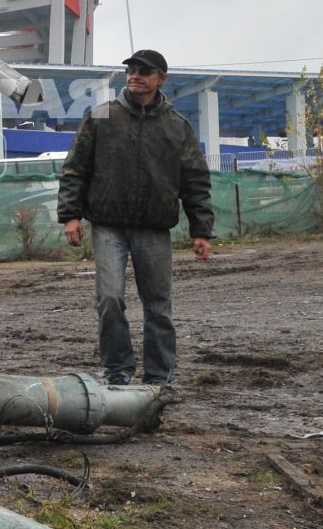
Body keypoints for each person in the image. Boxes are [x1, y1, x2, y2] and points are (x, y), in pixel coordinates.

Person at [56, 49, 214, 387]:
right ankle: (118, 371)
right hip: (108, 225)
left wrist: (202, 230)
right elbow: (75, 169)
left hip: (154, 229)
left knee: (158, 307)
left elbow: (195, 181)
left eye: (144, 71)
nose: (135, 76)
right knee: (110, 298)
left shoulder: (177, 127)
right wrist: (71, 216)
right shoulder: (101, 117)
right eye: (131, 70)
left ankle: (159, 378)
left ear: (161, 78)